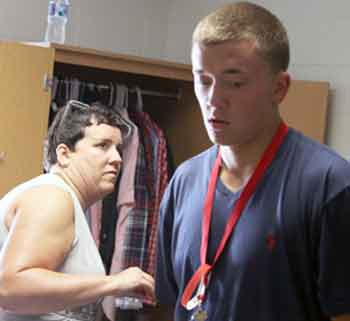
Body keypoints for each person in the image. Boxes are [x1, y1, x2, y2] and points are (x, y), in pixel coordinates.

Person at [156, 2, 350, 321]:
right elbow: (169, 301)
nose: (213, 100)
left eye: (235, 82)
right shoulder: (184, 181)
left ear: (279, 87)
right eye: (203, 80)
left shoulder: (330, 185)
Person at [0, 100, 155, 321]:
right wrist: (114, 282)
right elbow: (10, 288)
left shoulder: (67, 202)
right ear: (64, 154)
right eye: (103, 145)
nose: (118, 159)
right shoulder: (52, 197)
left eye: (119, 149)